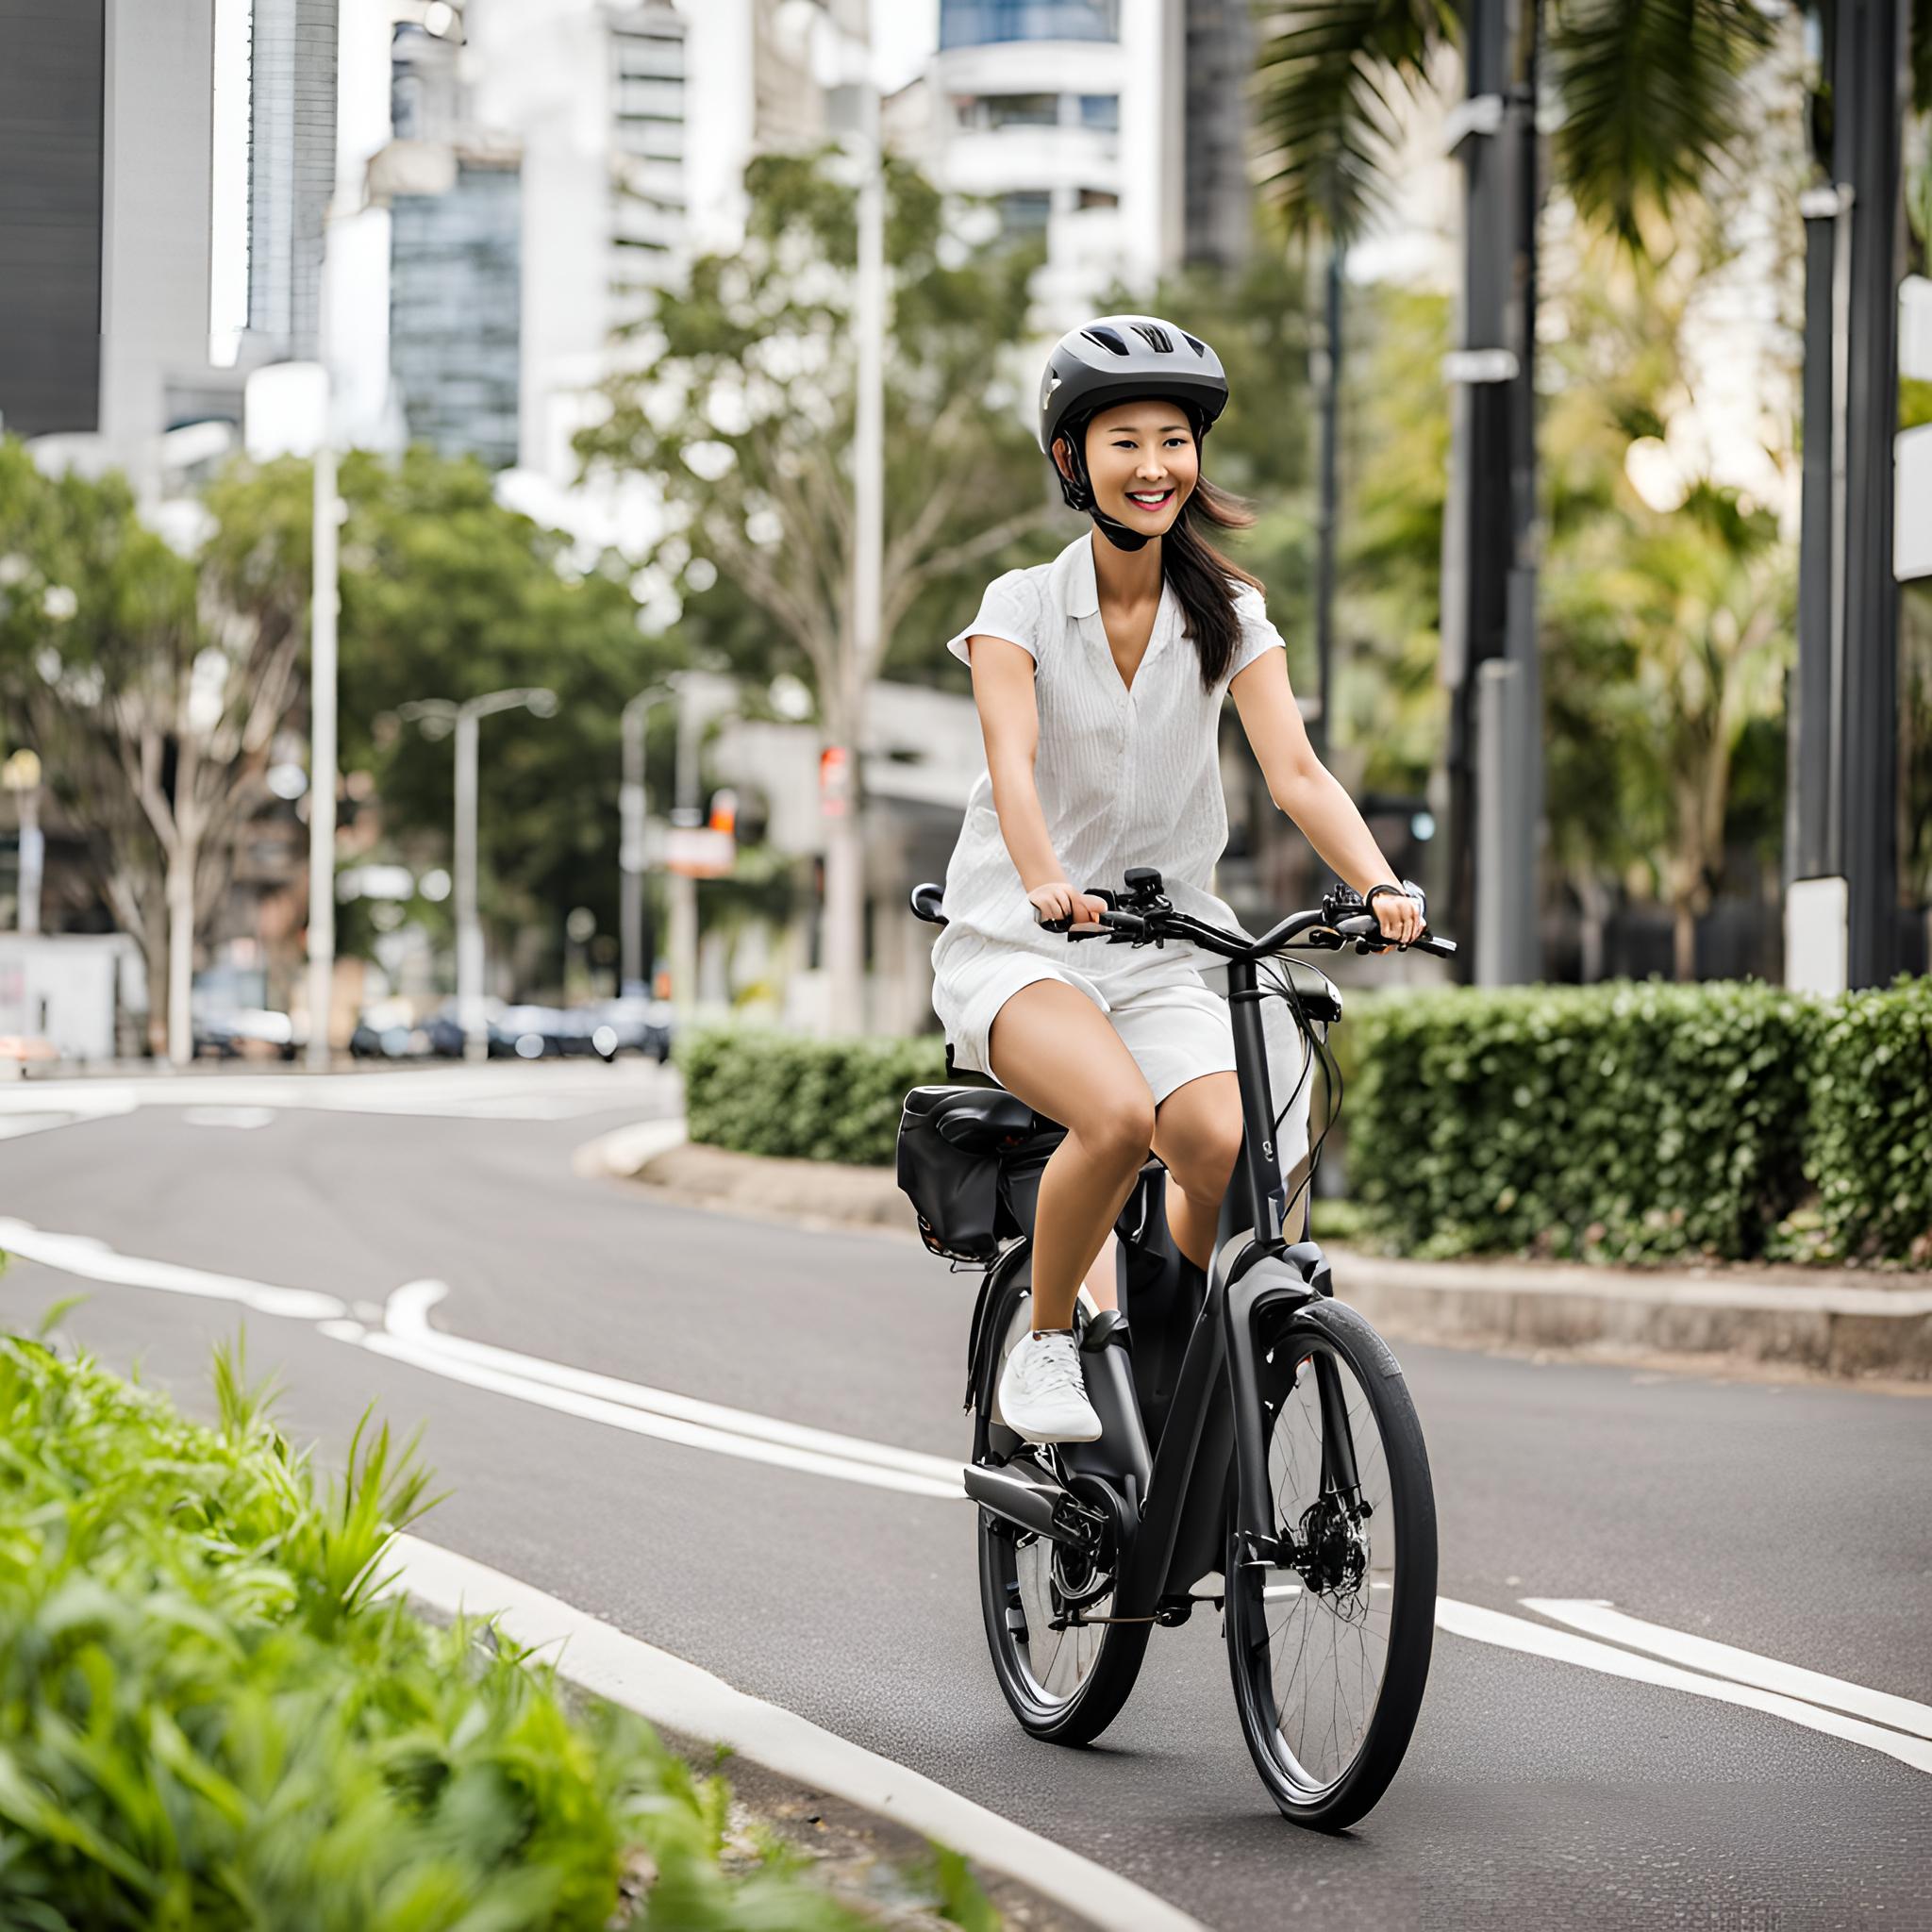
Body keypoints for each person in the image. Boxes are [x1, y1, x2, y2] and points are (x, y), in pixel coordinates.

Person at [929, 314, 1424, 1445]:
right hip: (1022, 943)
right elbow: (1011, 758)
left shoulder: (1228, 614)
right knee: (1109, 1116)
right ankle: (1047, 1337)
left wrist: (1384, 885)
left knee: (1225, 1141)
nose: (1153, 465)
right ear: (1071, 460)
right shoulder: (1019, 604)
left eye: (1174, 439)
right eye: (1123, 441)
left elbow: (1295, 772)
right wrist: (1047, 879)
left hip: (1160, 946)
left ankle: (1160, 1323)